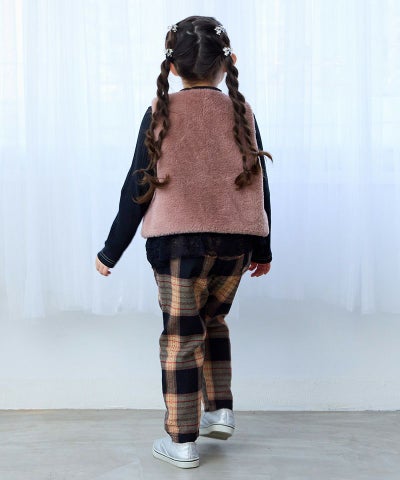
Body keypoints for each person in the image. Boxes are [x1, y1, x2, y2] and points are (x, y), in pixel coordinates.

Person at [95, 15, 273, 469]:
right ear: (227, 63)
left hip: (177, 245)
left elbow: (138, 184)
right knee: (214, 322)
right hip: (236, 243)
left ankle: (182, 441)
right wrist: (263, 247)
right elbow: (260, 180)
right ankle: (220, 410)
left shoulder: (160, 112)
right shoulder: (243, 111)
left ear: (172, 67)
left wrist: (111, 249)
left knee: (181, 338)